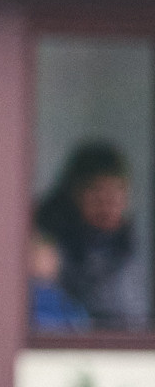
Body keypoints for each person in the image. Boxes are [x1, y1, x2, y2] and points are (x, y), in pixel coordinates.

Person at [36, 142, 148, 333]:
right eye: (96, 192)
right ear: (74, 194)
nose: (107, 204)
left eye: (116, 192)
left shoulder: (131, 252)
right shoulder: (48, 253)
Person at [29, 233, 92, 333]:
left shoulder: (66, 302)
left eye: (50, 257)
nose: (47, 262)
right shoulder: (22, 299)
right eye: (40, 256)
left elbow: (81, 325)